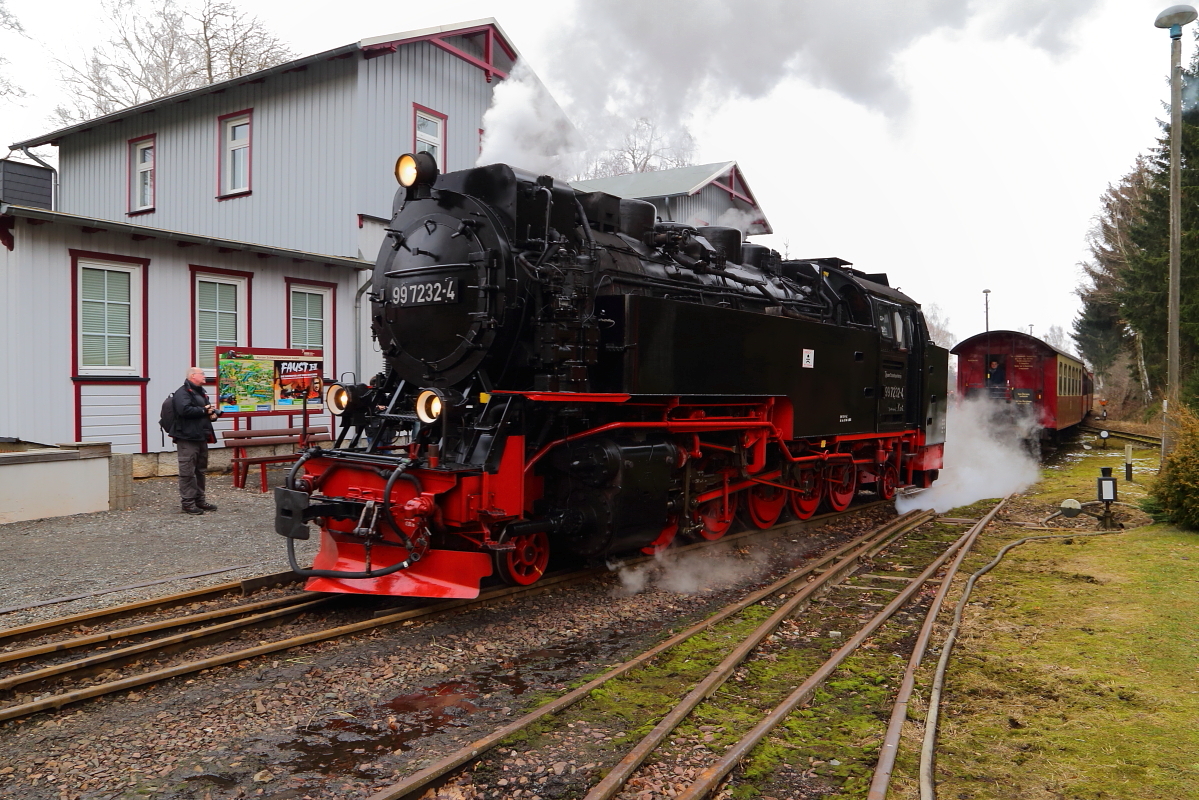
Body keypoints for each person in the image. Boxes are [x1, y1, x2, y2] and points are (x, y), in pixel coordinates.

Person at [171, 367, 219, 515]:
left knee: (200, 470)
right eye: (202, 374)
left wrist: (212, 414)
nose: (205, 376)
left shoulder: (201, 392)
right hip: (187, 438)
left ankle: (200, 501)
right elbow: (184, 410)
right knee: (187, 472)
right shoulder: (182, 392)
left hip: (201, 436)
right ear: (193, 376)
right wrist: (205, 410)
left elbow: (201, 411)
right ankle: (188, 503)